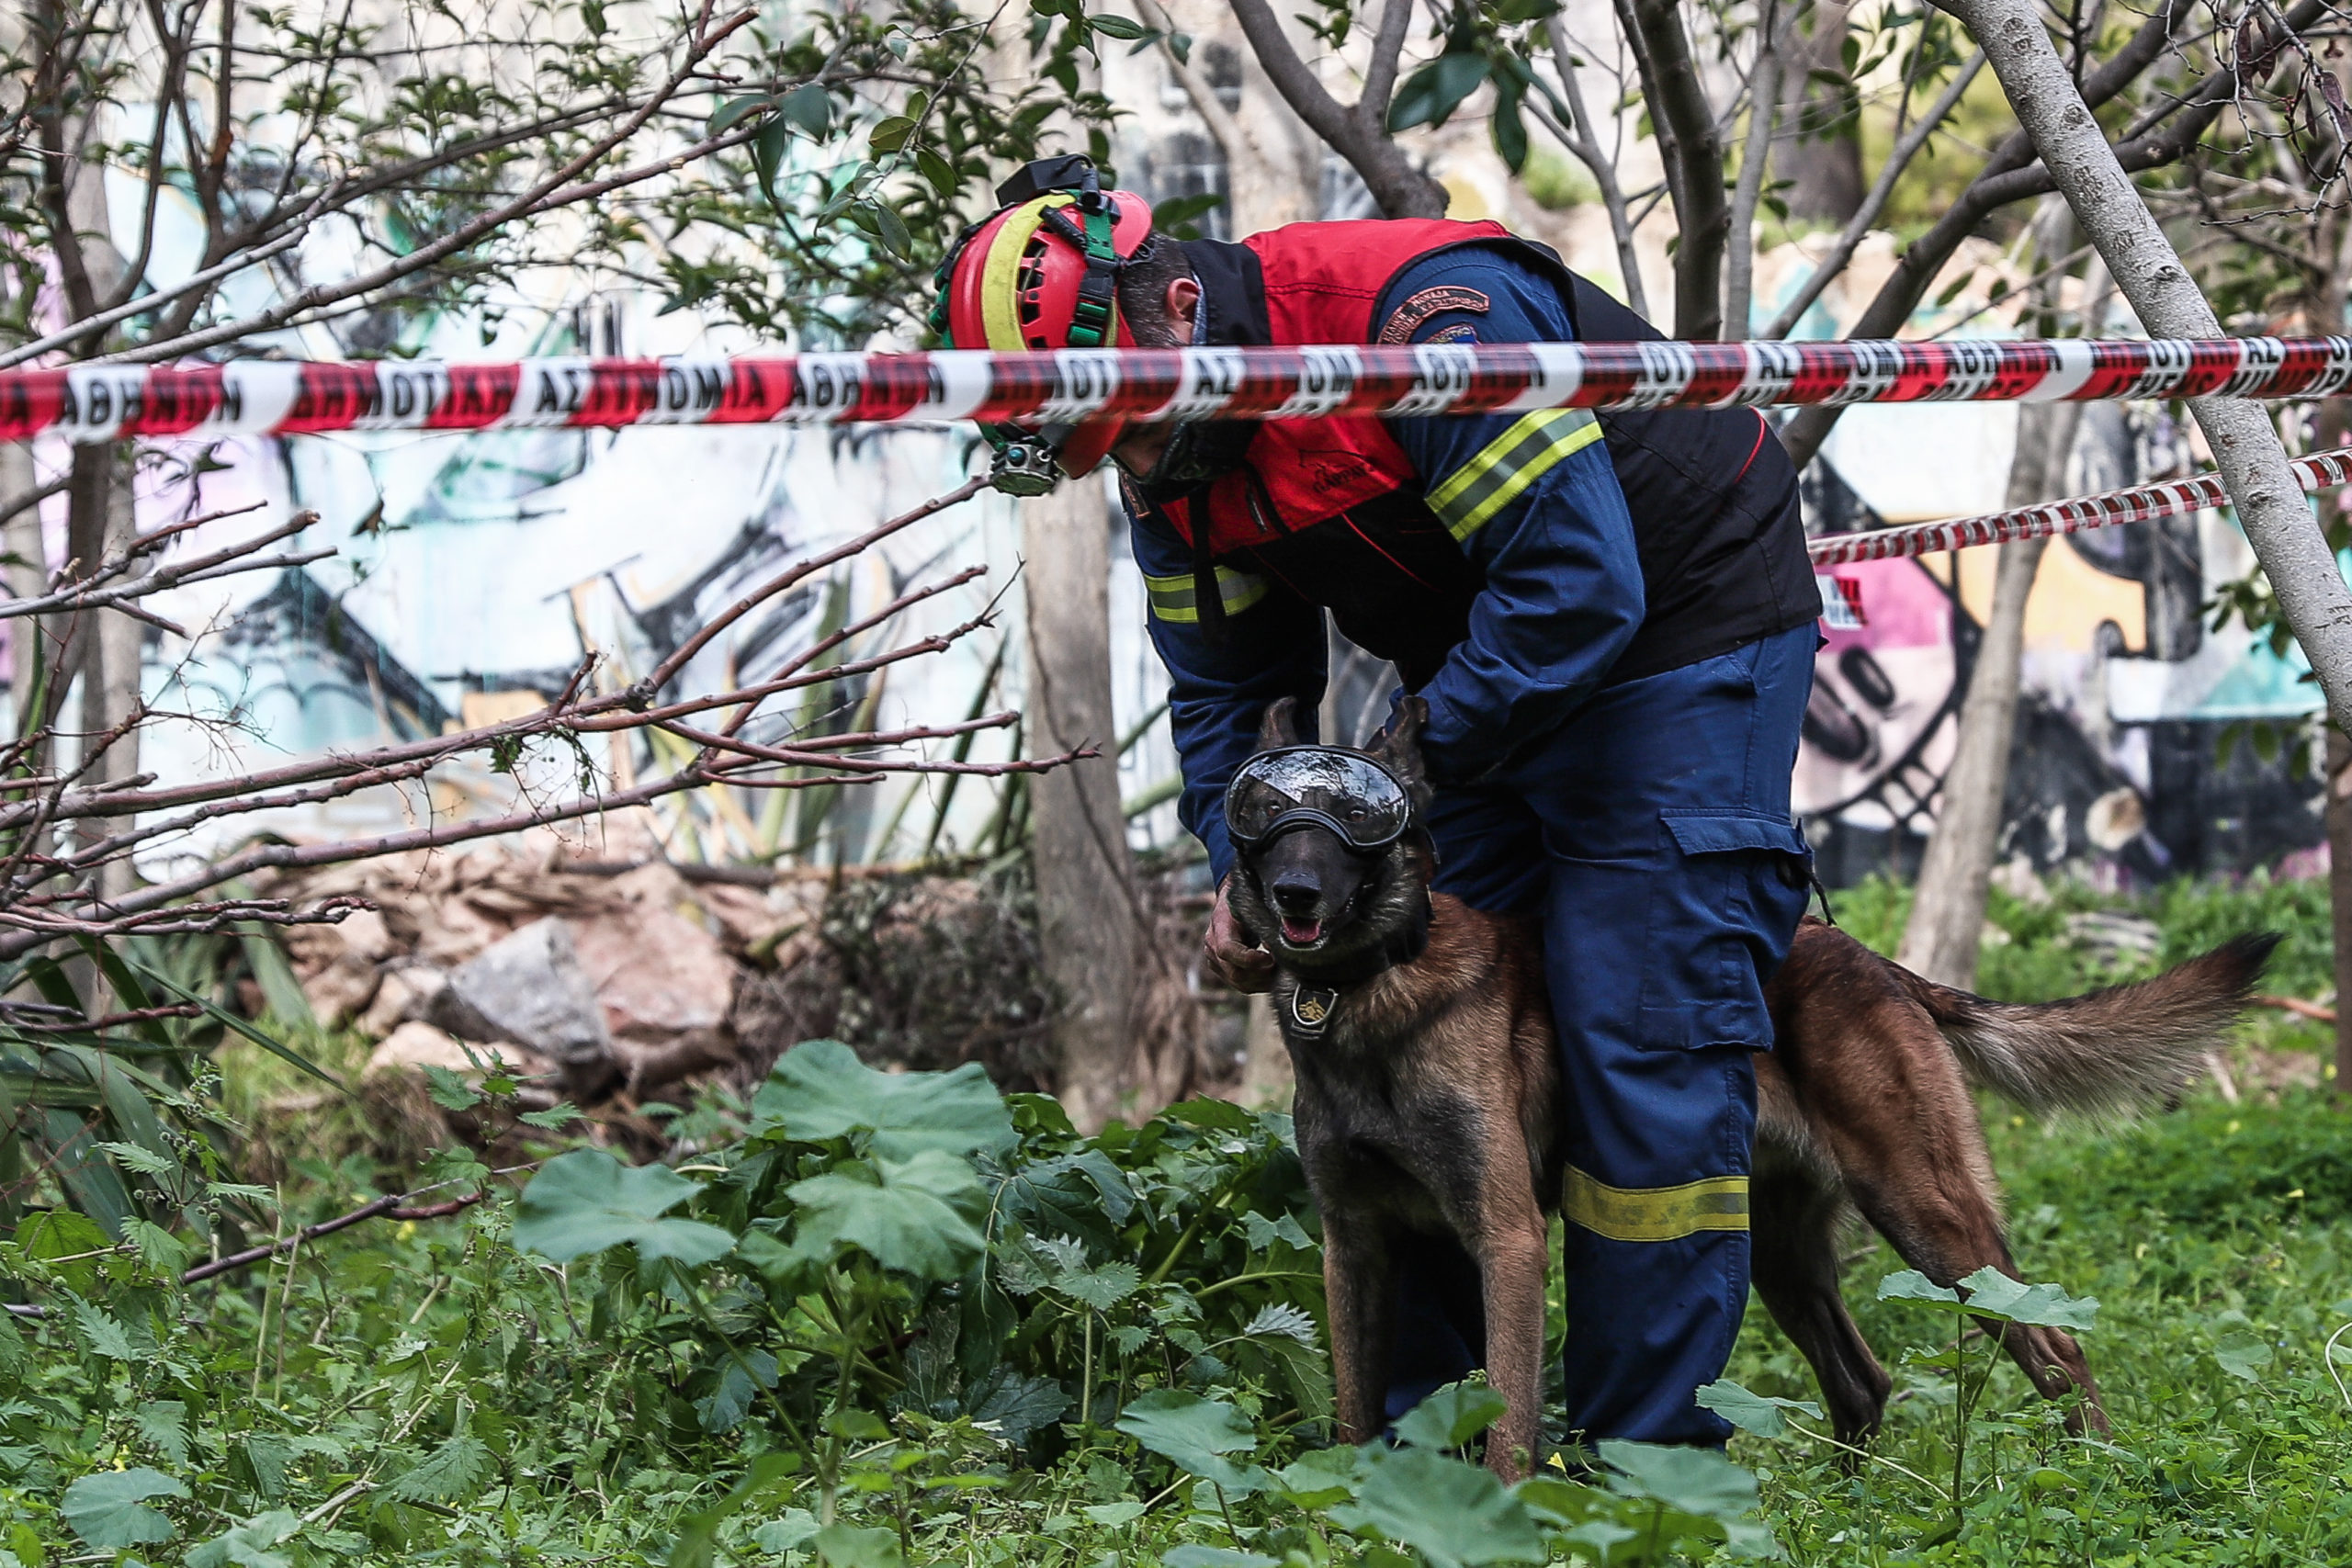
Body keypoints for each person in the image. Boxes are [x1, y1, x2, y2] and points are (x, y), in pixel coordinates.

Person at [933, 155, 1821, 1448]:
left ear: (1178, 303)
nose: (1128, 463)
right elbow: (1227, 697)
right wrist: (1236, 866)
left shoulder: (1423, 327)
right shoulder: (1172, 462)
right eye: (1095, 448)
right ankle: (1426, 1453)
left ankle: (1646, 1470)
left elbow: (1578, 583)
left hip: (1682, 635)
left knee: (1643, 1032)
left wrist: (1405, 781)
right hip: (1489, 673)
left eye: (1122, 420)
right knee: (1408, 1023)